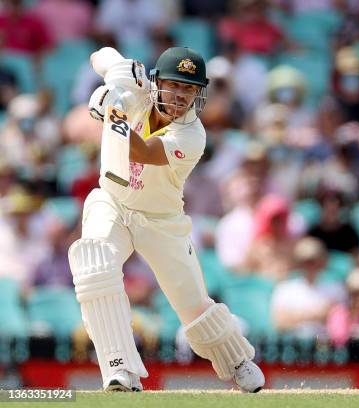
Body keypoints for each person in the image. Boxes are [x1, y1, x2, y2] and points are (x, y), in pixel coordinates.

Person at [69, 46, 265, 392]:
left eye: (189, 90)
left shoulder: (193, 136)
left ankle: (237, 360)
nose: (179, 96)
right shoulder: (137, 91)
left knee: (193, 306)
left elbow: (142, 152)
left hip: (160, 220)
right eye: (174, 85)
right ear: (157, 82)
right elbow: (101, 55)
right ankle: (120, 369)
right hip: (112, 202)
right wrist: (111, 83)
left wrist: (110, 116)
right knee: (94, 264)